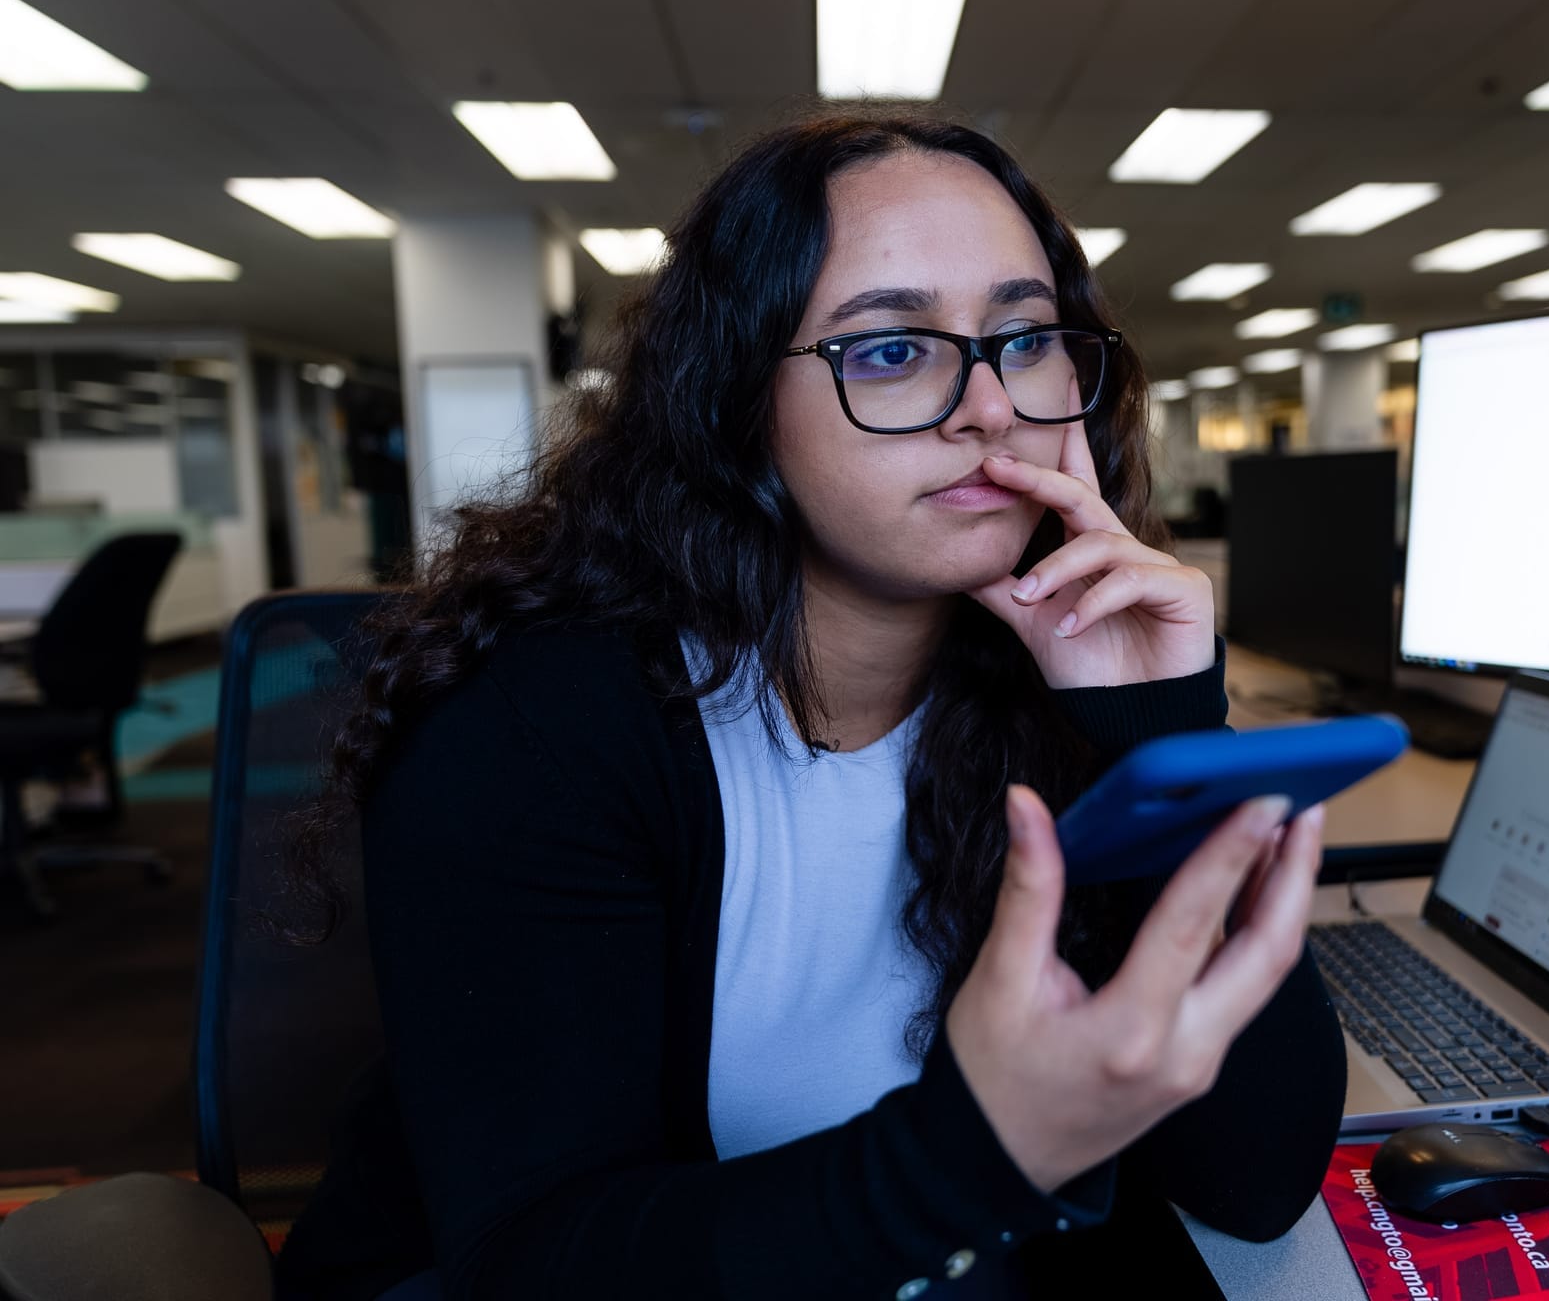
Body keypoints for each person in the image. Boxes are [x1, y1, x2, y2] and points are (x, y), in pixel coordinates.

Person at [273, 114, 1346, 1301]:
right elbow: (533, 1261)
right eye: (889, 350)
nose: (988, 406)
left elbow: (1256, 1179)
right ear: (736, 407)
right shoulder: (534, 722)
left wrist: (1156, 722)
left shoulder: (1043, 694)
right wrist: (981, 1151)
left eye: (1023, 334)